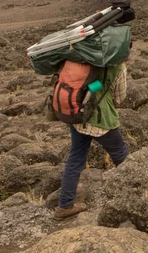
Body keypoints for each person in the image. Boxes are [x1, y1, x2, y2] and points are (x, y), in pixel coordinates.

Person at [54, 62, 128, 220]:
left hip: (78, 116)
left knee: (76, 158)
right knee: (122, 157)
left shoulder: (78, 59)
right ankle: (133, 200)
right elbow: (120, 98)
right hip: (101, 119)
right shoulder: (117, 66)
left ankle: (64, 205)